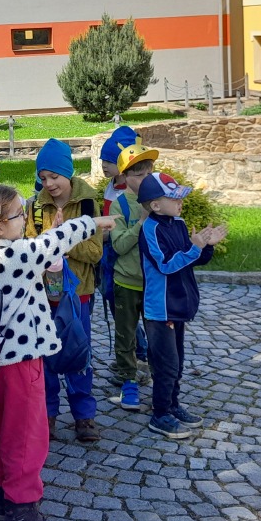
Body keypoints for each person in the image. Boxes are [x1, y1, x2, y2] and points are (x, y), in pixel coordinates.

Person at [0, 184, 117, 521]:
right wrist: (93, 222)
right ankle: (21, 510)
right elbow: (54, 241)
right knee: (27, 435)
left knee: (3, 429)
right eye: (19, 214)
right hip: (23, 361)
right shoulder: (14, 255)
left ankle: (1, 499)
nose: (24, 219)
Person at [136, 172, 227, 440]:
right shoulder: (150, 230)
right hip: (160, 308)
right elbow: (166, 265)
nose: (180, 203)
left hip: (178, 304)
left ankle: (172, 405)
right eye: (174, 198)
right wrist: (194, 248)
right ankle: (160, 414)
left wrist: (205, 247)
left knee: (178, 361)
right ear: (155, 205)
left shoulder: (178, 223)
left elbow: (191, 259)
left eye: (180, 197)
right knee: (166, 364)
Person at [24, 138, 104, 443]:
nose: (49, 184)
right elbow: (30, 251)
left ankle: (84, 415)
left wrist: (64, 240)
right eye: (43, 177)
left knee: (77, 353)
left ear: (67, 173)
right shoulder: (35, 206)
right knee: (45, 356)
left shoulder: (88, 204)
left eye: (54, 176)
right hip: (43, 296)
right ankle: (47, 414)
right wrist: (49, 240)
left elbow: (95, 252)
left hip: (77, 295)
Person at [107, 142, 161, 411]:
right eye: (139, 175)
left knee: (158, 337)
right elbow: (118, 246)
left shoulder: (159, 201)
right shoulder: (120, 205)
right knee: (126, 336)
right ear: (125, 177)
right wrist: (141, 221)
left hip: (154, 284)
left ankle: (161, 384)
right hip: (126, 282)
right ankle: (128, 383)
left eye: (149, 173)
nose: (145, 179)